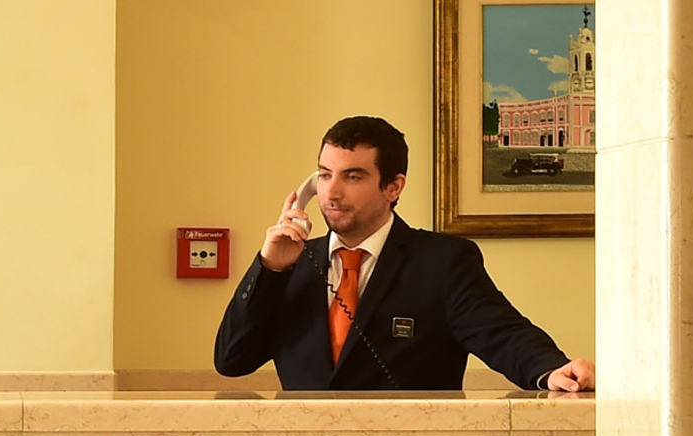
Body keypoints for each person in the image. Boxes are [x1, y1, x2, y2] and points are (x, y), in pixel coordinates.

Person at [213, 116, 595, 394]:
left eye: (353, 176)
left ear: (393, 186)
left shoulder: (443, 262)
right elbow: (231, 361)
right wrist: (269, 268)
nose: (331, 193)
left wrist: (551, 370)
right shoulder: (288, 266)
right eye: (325, 175)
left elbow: (501, 333)